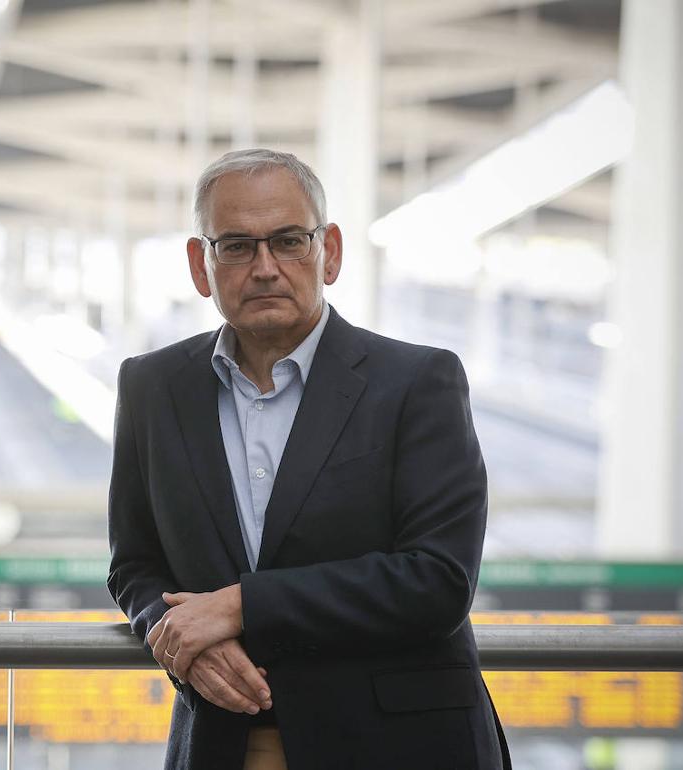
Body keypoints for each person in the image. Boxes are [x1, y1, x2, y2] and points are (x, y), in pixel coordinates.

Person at [107, 148, 510, 770]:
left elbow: (439, 580)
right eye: (237, 246)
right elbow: (135, 564)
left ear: (332, 253)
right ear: (199, 265)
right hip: (225, 740)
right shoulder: (152, 388)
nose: (265, 267)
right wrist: (182, 641)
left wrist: (239, 606)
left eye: (289, 241)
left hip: (399, 747)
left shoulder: (417, 382)